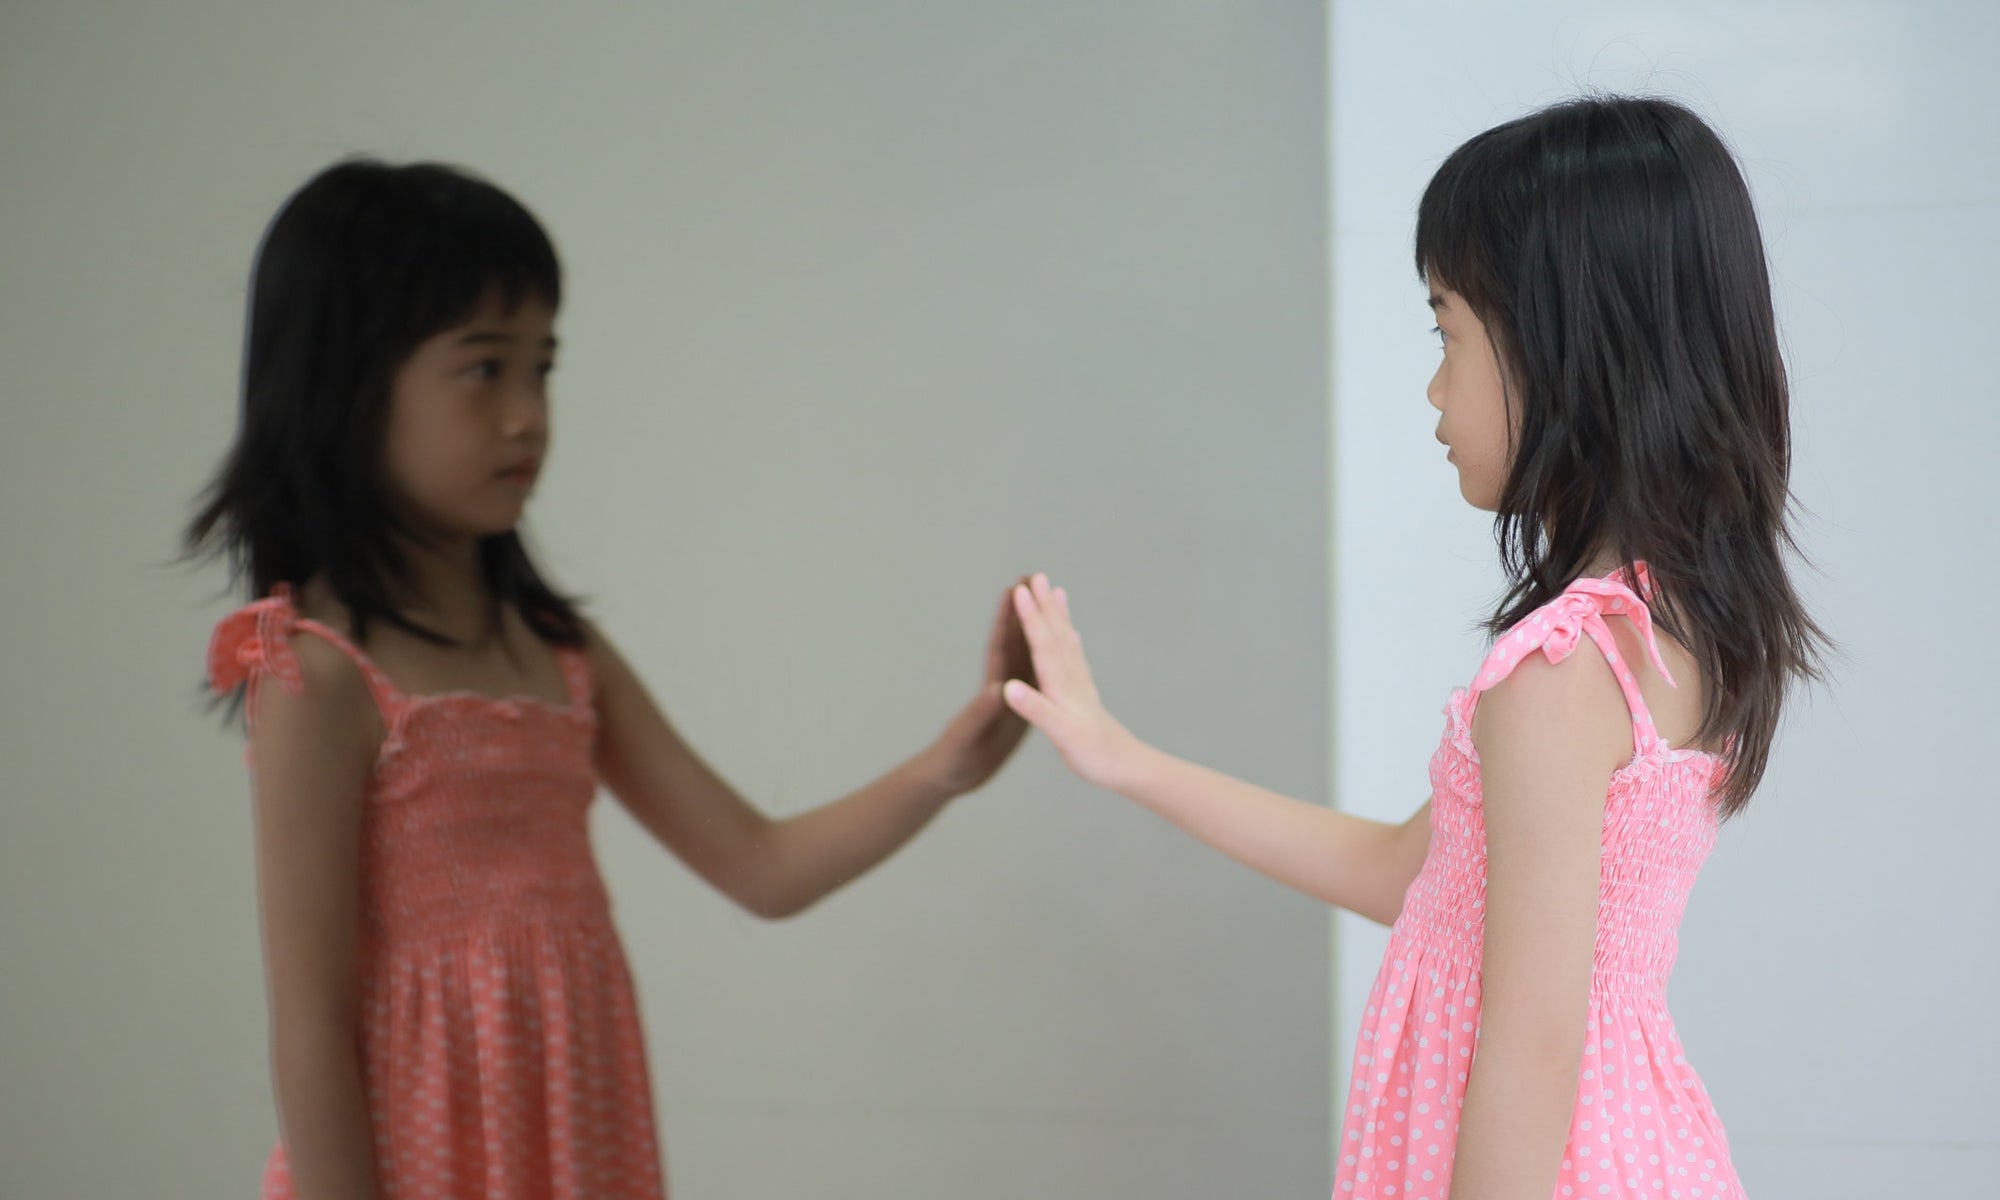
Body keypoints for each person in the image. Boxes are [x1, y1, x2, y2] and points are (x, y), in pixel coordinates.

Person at [1001, 95, 1827, 1199]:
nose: (1432, 390)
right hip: (1630, 1155)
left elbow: (1530, 1047)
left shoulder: (1559, 670)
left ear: (1561, 345)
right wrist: (1123, 757)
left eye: (1446, 334)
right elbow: (1410, 873)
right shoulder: (1662, 628)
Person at [188, 159, 1031, 1200]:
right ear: (347, 385)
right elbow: (309, 1027)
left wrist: (947, 766)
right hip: (417, 1158)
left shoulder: (561, 654)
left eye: (541, 368)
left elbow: (763, 867)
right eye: (483, 368)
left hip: (570, 1135)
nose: (526, 415)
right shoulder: (318, 673)